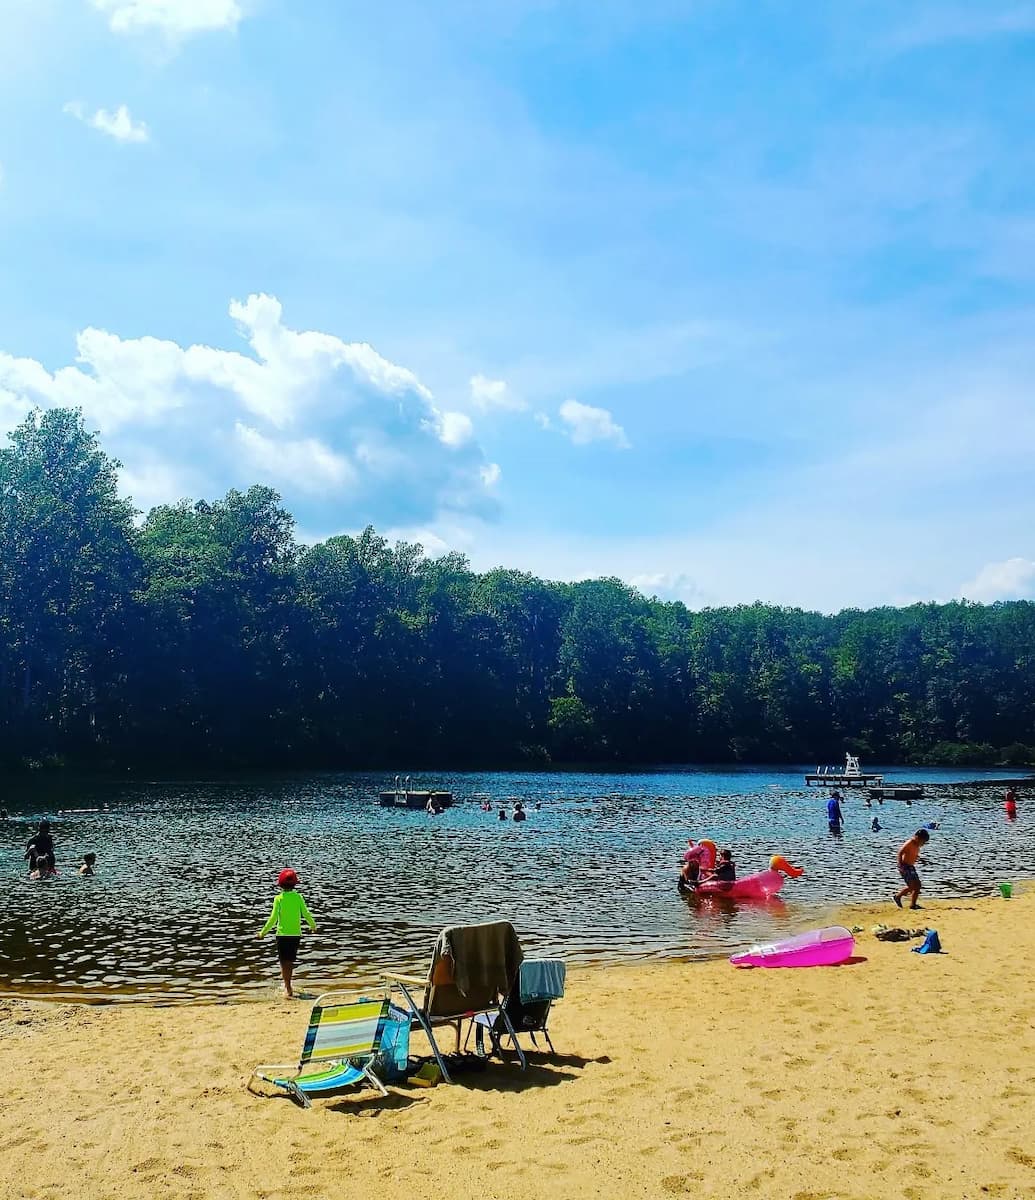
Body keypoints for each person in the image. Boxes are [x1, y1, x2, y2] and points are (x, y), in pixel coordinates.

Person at [257, 868, 317, 999]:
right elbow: (306, 914)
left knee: (284, 962)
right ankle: (288, 986)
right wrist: (313, 925)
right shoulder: (298, 897)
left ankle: (288, 987)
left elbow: (273, 919)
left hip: (282, 935)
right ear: (295, 884)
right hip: (295, 935)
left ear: (280, 885)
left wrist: (263, 933)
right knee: (290, 961)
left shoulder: (278, 899)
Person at [894, 829, 930, 910]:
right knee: (913, 886)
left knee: (917, 886)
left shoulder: (916, 845)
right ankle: (898, 897)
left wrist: (921, 860)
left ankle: (912, 904)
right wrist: (900, 865)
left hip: (911, 867)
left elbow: (913, 854)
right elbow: (900, 852)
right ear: (917, 838)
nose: (923, 844)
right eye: (923, 841)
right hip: (905, 866)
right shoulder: (910, 843)